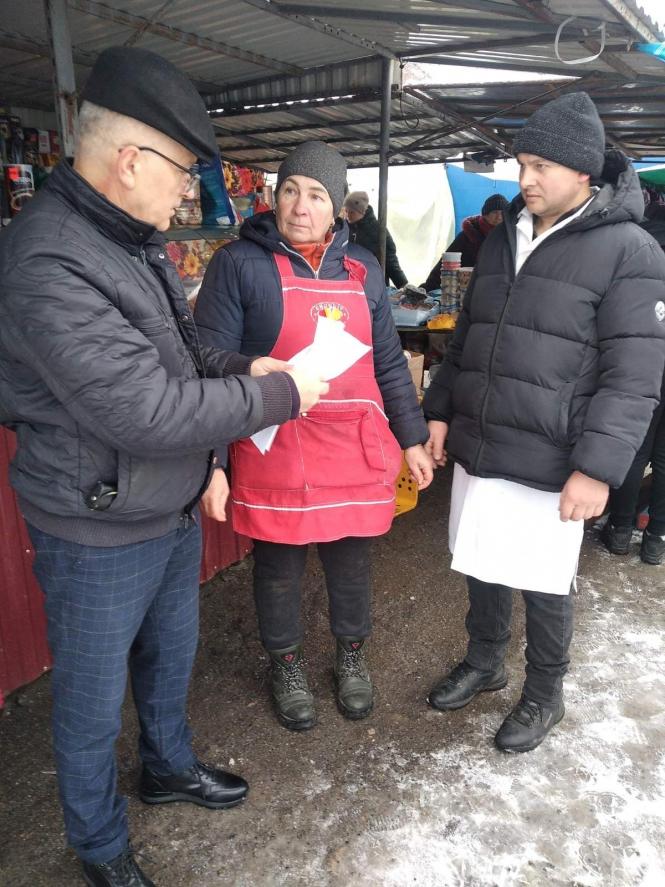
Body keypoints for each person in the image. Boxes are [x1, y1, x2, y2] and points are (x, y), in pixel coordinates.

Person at [0, 47, 327, 887]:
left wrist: (238, 370)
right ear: (130, 159)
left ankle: (168, 765)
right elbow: (143, 411)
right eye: (183, 170)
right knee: (88, 699)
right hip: (97, 523)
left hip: (168, 504)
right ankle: (101, 844)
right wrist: (281, 393)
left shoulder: (127, 238)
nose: (188, 191)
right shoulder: (49, 256)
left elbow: (174, 362)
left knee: (167, 658)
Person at [422, 92, 665, 754]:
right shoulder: (504, 237)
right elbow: (469, 332)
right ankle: (484, 659)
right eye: (520, 164)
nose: (524, 180)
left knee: (542, 575)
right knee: (480, 557)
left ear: (582, 173)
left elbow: (634, 371)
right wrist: (438, 413)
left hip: (555, 451)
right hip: (483, 438)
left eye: (539, 167)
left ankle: (543, 692)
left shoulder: (629, 250)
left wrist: (596, 468)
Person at [194, 141, 433, 732]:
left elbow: (385, 363)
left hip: (350, 444)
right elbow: (203, 355)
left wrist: (411, 438)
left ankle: (352, 657)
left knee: (350, 562)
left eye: (318, 194)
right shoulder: (239, 264)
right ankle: (288, 665)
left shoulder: (364, 272)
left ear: (337, 209)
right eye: (292, 189)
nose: (302, 206)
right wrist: (217, 449)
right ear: (276, 196)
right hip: (275, 442)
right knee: (278, 566)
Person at [602, 203, 665, 564]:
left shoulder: (639, 251)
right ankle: (656, 538)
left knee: (636, 450)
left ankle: (621, 531)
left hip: (646, 360)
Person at [420, 193, 509, 292]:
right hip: (465, 290)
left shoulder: (508, 236)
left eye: (502, 212)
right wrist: (427, 288)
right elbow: (447, 261)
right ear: (485, 214)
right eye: (495, 212)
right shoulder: (469, 234)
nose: (499, 217)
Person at [343, 190, 408, 288]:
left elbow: (390, 260)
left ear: (362, 212)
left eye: (352, 212)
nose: (348, 215)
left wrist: (403, 284)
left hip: (374, 284)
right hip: (350, 282)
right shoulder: (345, 228)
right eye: (346, 211)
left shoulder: (378, 231)